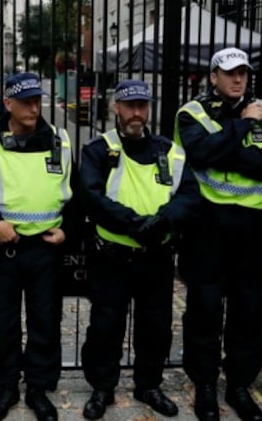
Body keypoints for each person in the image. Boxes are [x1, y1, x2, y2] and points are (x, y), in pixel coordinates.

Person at [173, 47, 262, 421]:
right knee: (205, 308)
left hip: (254, 227)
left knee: (249, 309)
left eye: (242, 72)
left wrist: (227, 151)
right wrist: (240, 128)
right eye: (229, 73)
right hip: (207, 225)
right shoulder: (192, 113)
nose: (237, 79)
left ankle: (240, 385)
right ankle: (205, 385)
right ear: (213, 77)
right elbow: (200, 153)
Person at [0, 72, 80, 421]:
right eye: (24, 100)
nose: (32, 106)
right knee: (3, 321)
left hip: (46, 248)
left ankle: (39, 388)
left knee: (45, 321)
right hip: (4, 249)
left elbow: (77, 193)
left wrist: (68, 230)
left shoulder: (60, 139)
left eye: (36, 100)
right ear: (7, 103)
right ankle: (7, 386)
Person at [79, 79, 201, 419]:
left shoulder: (170, 151)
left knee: (156, 326)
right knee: (106, 326)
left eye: (142, 106)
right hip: (112, 258)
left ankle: (149, 385)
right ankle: (102, 387)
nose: (137, 113)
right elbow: (92, 198)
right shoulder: (98, 150)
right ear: (116, 108)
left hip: (156, 259)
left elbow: (190, 195)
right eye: (130, 105)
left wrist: (159, 224)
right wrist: (139, 225)